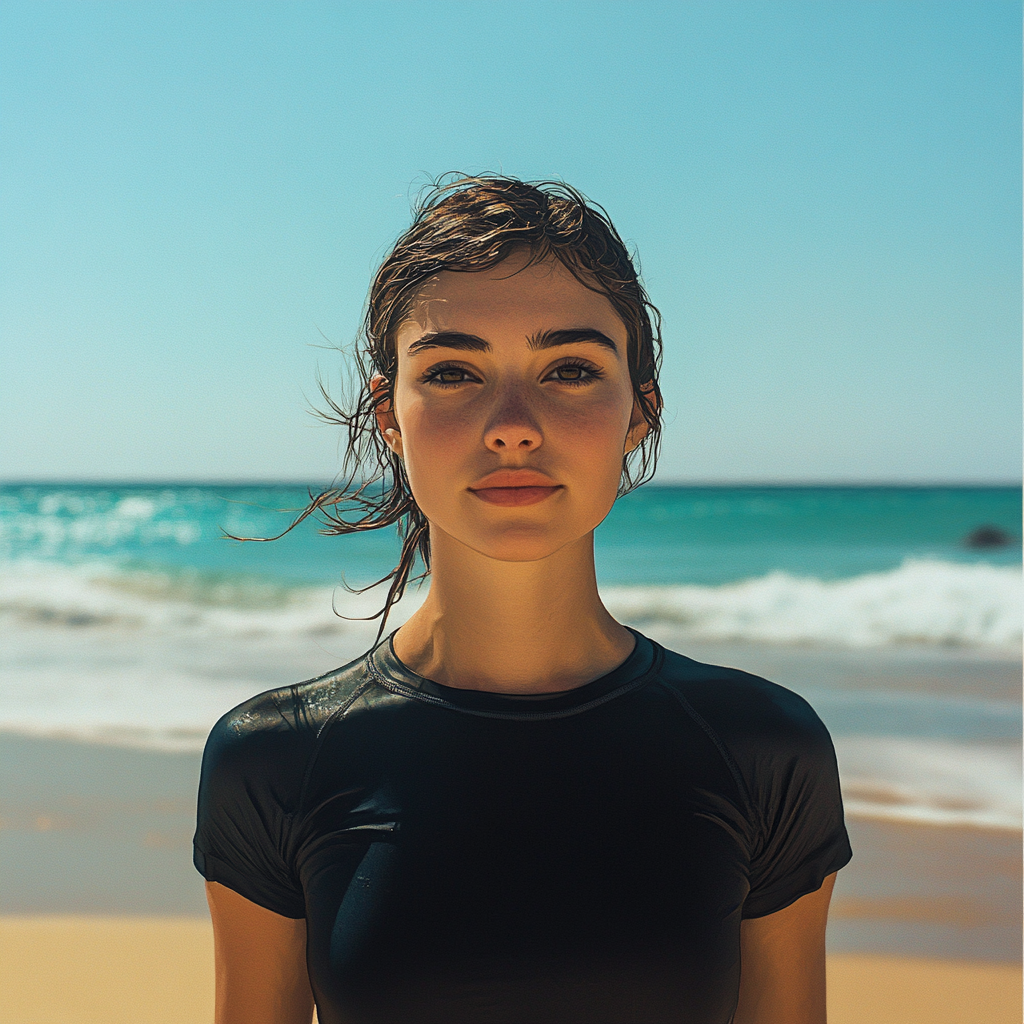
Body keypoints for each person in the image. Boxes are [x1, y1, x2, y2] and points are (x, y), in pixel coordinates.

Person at [193, 175, 852, 1024]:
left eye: (570, 369)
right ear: (389, 415)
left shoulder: (765, 750)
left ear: (639, 413)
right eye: (455, 371)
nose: (512, 423)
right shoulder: (273, 760)